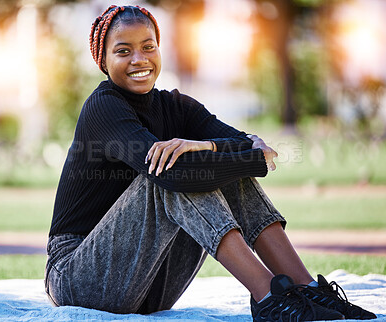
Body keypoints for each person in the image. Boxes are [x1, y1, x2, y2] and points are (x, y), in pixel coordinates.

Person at [44, 5, 376, 321]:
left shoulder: (177, 106)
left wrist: (206, 145)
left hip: (149, 284)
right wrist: (240, 156)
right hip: (77, 277)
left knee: (213, 165)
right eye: (123, 51)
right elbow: (240, 157)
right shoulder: (103, 107)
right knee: (169, 171)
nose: (139, 59)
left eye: (148, 47)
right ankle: (271, 298)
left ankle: (306, 288)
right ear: (102, 59)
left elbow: (246, 144)